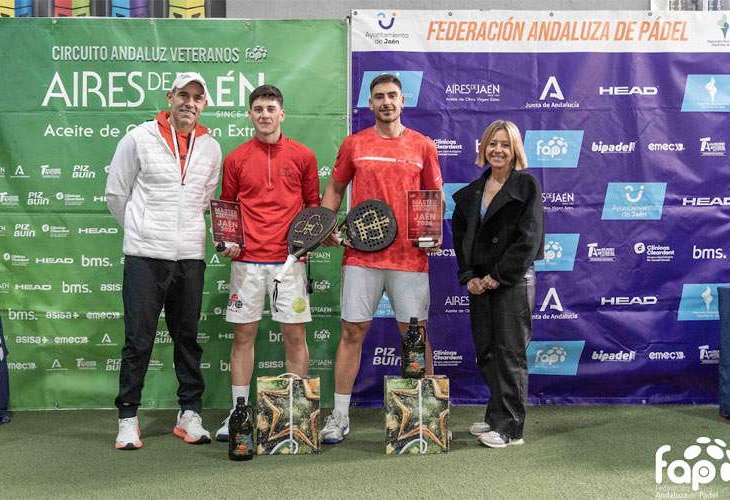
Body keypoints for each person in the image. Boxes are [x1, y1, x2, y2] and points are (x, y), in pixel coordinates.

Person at [319, 74, 443, 444]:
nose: (386, 102)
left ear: (403, 101)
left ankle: (424, 414)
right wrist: (326, 223)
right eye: (379, 97)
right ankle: (339, 416)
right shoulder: (354, 144)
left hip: (409, 257)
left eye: (392, 96)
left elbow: (433, 195)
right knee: (352, 331)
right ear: (369, 104)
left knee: (415, 338)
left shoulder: (422, 146)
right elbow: (336, 186)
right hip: (361, 256)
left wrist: (433, 233)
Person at [105, 72, 222, 450]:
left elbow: (205, 199)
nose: (189, 103)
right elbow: (115, 194)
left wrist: (178, 236)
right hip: (144, 257)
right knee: (138, 341)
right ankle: (127, 417)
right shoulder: (138, 138)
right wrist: (141, 232)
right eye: (183, 95)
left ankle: (189, 414)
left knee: (187, 339)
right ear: (170, 97)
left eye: (197, 98)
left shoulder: (212, 148)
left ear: (204, 105)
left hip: (190, 256)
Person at [214, 85, 320, 441]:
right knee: (243, 336)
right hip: (246, 262)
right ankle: (238, 412)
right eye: (257, 108)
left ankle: (294, 414)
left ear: (282, 113)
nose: (264, 114)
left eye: (270, 108)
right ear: (249, 114)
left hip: (289, 262)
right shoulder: (236, 158)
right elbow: (226, 208)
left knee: (295, 335)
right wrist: (226, 242)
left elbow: (312, 207)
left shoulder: (304, 156)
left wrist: (307, 245)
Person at [451, 119, 544, 448]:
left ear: (515, 149)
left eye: (505, 144)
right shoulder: (469, 194)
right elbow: (461, 239)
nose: (498, 150)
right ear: (483, 148)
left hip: (512, 283)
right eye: (493, 143)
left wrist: (496, 276)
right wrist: (470, 277)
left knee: (509, 354)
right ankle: (495, 416)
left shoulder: (527, 187)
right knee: (487, 352)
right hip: (480, 286)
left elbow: (529, 241)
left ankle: (510, 429)